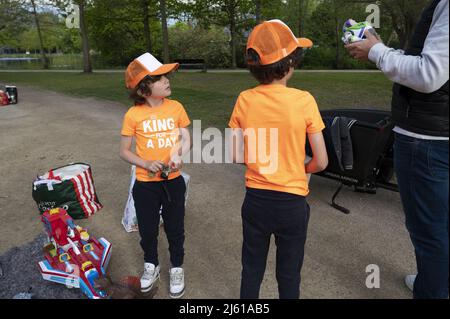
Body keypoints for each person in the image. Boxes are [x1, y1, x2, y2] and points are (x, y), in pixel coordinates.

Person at [345, 0, 449, 299]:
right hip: (437, 135)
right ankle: (437, 280)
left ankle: (432, 290)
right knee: (441, 224)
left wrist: (376, 52)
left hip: (426, 139)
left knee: (428, 230)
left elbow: (428, 75)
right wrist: (381, 49)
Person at [228, 19, 328, 299]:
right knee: (288, 274)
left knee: (251, 270)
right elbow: (321, 162)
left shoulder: (244, 99)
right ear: (289, 63)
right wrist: (300, 168)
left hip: (256, 201)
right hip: (292, 205)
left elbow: (236, 154)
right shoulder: (304, 100)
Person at [120, 52, 191, 298]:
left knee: (175, 228)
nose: (166, 81)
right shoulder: (133, 115)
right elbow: (124, 151)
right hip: (145, 184)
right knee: (148, 229)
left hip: (173, 182)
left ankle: (177, 267)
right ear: (143, 90)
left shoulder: (176, 107)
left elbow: (185, 137)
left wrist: (179, 153)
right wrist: (146, 163)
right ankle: (151, 264)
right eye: (159, 78)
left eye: (165, 76)